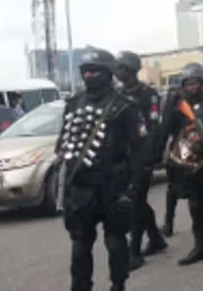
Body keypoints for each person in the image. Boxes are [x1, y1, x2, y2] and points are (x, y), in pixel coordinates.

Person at [57, 49, 150, 291]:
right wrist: (66, 190)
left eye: (94, 71)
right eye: (85, 71)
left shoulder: (125, 106)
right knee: (79, 246)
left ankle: (118, 286)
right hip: (82, 186)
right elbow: (63, 147)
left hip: (113, 186)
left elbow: (141, 151)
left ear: (108, 73)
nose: (89, 75)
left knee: (116, 244)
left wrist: (132, 189)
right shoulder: (73, 104)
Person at [157, 62, 203, 266]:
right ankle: (200, 246)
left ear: (202, 82)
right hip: (188, 164)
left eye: (194, 83)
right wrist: (170, 107)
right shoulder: (180, 106)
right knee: (194, 205)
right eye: (187, 83)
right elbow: (168, 129)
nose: (190, 87)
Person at [114, 51, 168, 271]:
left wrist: (150, 157)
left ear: (128, 69)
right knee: (138, 200)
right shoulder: (116, 95)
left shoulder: (148, 94)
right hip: (122, 158)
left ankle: (134, 252)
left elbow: (153, 126)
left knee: (135, 202)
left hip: (140, 156)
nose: (116, 72)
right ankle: (156, 239)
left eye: (119, 68)